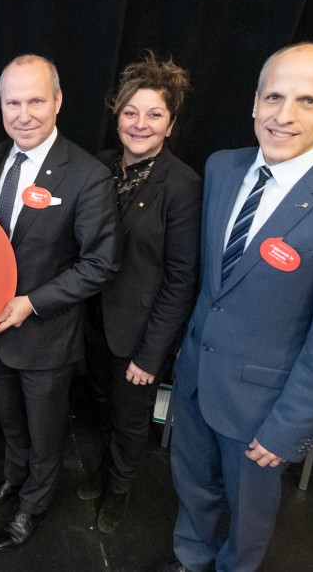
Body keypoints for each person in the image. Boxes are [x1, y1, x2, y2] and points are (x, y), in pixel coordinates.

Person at [156, 43, 313, 572]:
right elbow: (214, 286)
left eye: (308, 101)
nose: (283, 115)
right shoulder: (222, 168)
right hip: (197, 378)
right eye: (274, 97)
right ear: (254, 103)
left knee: (248, 516)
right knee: (191, 485)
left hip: (264, 410)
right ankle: (190, 560)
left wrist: (290, 428)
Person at [0, 54, 119, 551]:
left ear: (57, 101)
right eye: (13, 102)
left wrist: (30, 303)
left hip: (45, 333)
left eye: (36, 100)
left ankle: (33, 505)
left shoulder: (86, 174)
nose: (24, 114)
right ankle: (14, 479)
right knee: (10, 418)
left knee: (44, 430)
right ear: (1, 105)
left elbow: (99, 265)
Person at [75, 52, 202, 533]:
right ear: (116, 114)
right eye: (131, 112)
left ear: (170, 125)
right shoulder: (100, 166)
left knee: (131, 419)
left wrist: (151, 355)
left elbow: (180, 279)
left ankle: (121, 488)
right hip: (92, 323)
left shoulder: (183, 186)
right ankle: (105, 470)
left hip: (139, 334)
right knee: (102, 406)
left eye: (154, 115)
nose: (140, 124)